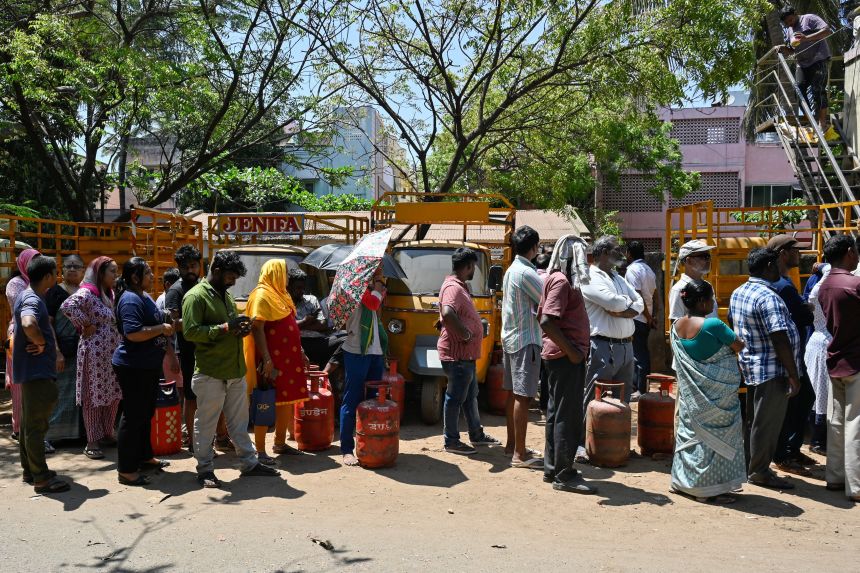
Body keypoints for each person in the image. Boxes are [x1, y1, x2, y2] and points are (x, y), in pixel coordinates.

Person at [182, 250, 279, 487]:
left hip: (234, 371)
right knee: (205, 425)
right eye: (230, 277)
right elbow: (190, 332)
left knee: (239, 422)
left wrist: (241, 329)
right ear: (216, 271)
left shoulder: (225, 296)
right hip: (210, 373)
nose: (234, 282)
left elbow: (230, 328)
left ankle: (249, 463)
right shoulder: (195, 297)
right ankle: (204, 470)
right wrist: (226, 328)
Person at [728, 247, 801, 490]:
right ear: (769, 266)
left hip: (751, 366)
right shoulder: (768, 297)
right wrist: (793, 373)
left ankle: (751, 466)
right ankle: (759, 472)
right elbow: (779, 337)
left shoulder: (740, 292)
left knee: (755, 421)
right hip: (772, 370)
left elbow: (732, 322)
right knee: (766, 424)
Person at [670, 281, 746, 504]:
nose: (713, 303)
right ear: (703, 302)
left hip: (692, 401)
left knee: (690, 436)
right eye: (711, 299)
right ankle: (708, 490)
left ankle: (683, 482)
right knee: (715, 440)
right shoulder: (713, 325)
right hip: (718, 400)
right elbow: (738, 345)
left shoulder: (675, 326)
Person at [538, 236, 597, 494]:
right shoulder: (562, 281)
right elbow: (547, 320)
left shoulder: (561, 279)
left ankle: (554, 468)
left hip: (562, 356)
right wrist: (572, 352)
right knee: (567, 416)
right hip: (564, 358)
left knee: (557, 412)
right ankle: (564, 473)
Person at [578, 235, 644, 462]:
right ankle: (583, 445)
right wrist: (626, 305)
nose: (622, 252)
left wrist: (622, 307)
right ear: (604, 252)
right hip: (602, 345)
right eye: (617, 249)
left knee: (622, 399)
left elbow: (640, 302)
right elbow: (615, 303)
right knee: (594, 399)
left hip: (626, 347)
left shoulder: (616, 276)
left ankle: (618, 444)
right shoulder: (588, 277)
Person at [111, 258, 174, 486]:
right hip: (133, 366)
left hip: (146, 365)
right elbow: (133, 333)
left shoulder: (142, 295)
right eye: (147, 273)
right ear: (135, 277)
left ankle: (145, 457)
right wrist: (161, 328)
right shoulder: (129, 299)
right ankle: (127, 470)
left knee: (145, 413)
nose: (152, 276)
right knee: (133, 415)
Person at [13, 255, 70, 494]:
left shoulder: (29, 295)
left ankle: (31, 470)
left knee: (29, 425)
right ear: (46, 276)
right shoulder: (32, 299)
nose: (56, 278)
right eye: (55, 273)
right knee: (36, 427)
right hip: (37, 374)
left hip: (31, 372)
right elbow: (28, 324)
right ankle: (42, 479)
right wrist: (42, 343)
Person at [244, 259, 309, 464]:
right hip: (272, 361)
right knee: (265, 402)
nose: (287, 278)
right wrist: (267, 359)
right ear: (275, 273)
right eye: (285, 273)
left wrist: (301, 351)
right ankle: (261, 450)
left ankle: (280, 443)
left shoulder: (282, 295)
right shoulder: (262, 295)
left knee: (287, 401)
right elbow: (257, 328)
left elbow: (290, 328)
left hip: (289, 359)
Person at [437, 248, 500, 455]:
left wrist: (471, 328)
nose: (475, 270)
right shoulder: (453, 288)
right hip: (458, 355)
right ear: (468, 266)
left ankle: (476, 434)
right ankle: (451, 441)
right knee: (455, 398)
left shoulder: (459, 286)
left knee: (470, 395)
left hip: (466, 355)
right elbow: (448, 313)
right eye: (474, 266)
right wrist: (465, 335)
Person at [60, 257, 123, 461]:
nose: (116, 275)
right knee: (93, 397)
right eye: (112, 271)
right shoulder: (88, 292)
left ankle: (107, 433)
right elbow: (68, 306)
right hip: (94, 354)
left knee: (112, 394)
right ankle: (92, 441)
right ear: (100, 273)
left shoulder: (110, 293)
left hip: (111, 353)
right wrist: (84, 324)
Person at [766, 235, 816, 476]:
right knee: (794, 401)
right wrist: (806, 307)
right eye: (795, 251)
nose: (800, 255)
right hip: (787, 356)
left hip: (792, 354)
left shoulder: (783, 282)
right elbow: (804, 316)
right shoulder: (783, 286)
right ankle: (784, 453)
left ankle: (791, 449)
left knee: (803, 398)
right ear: (783, 253)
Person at [816, 235, 860, 502]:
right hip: (856, 360)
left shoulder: (824, 286)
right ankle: (855, 485)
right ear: (848, 252)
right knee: (855, 423)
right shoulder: (854, 284)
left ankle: (834, 476)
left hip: (835, 357)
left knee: (836, 421)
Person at [501, 225, 544, 469]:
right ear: (534, 248)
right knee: (523, 397)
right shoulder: (527, 274)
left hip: (511, 338)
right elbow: (547, 301)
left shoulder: (511, 270)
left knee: (513, 394)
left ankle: (512, 446)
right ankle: (519, 454)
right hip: (525, 339)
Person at [339, 267, 387, 467]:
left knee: (373, 400)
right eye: (377, 268)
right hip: (357, 350)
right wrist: (377, 288)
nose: (381, 271)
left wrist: (379, 288)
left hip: (375, 350)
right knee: (352, 398)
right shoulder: (353, 285)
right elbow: (372, 303)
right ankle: (346, 449)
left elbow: (377, 308)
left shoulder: (373, 287)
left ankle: (368, 443)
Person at [5, 248, 48, 444]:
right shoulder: (16, 284)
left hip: (37, 335)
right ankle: (19, 429)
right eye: (32, 262)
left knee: (35, 386)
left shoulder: (38, 284)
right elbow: (23, 312)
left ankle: (32, 432)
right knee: (20, 386)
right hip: (21, 337)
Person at [779, 5, 837, 140]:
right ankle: (811, 120)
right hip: (802, 64)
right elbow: (793, 50)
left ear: (795, 14)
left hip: (819, 59)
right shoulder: (789, 30)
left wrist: (806, 38)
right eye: (786, 23)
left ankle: (822, 123)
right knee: (798, 91)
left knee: (818, 90)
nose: (790, 23)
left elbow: (827, 31)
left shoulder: (809, 19)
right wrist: (784, 48)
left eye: (791, 20)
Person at [44, 254, 84, 442]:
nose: (72, 269)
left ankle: (77, 436)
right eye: (68, 266)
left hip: (83, 351)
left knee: (81, 393)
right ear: (62, 270)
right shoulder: (55, 293)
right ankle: (54, 436)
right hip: (63, 352)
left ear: (83, 271)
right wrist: (57, 351)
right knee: (59, 394)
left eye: (76, 266)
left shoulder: (86, 292)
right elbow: (49, 324)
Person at [625, 241, 659, 401]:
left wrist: (648, 316)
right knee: (639, 352)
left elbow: (637, 297)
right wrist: (653, 315)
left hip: (638, 317)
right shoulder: (649, 270)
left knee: (639, 354)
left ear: (629, 254)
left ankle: (640, 389)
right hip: (645, 317)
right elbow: (656, 295)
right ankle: (637, 387)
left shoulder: (632, 270)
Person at [804, 262, 831, 455]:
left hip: (817, 341)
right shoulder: (828, 280)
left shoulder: (817, 278)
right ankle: (819, 440)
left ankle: (818, 438)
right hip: (825, 343)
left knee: (818, 392)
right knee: (822, 393)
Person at [290, 267, 331, 369]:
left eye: (303, 288)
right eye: (298, 288)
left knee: (344, 339)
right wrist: (305, 321)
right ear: (289, 287)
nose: (302, 291)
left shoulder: (311, 300)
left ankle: (325, 374)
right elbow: (287, 328)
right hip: (298, 342)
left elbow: (323, 324)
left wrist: (301, 325)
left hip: (318, 341)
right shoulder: (284, 304)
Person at [668, 240, 717, 323]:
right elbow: (676, 324)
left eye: (708, 256)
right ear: (688, 261)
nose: (708, 260)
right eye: (703, 256)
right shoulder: (679, 289)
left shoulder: (707, 286)